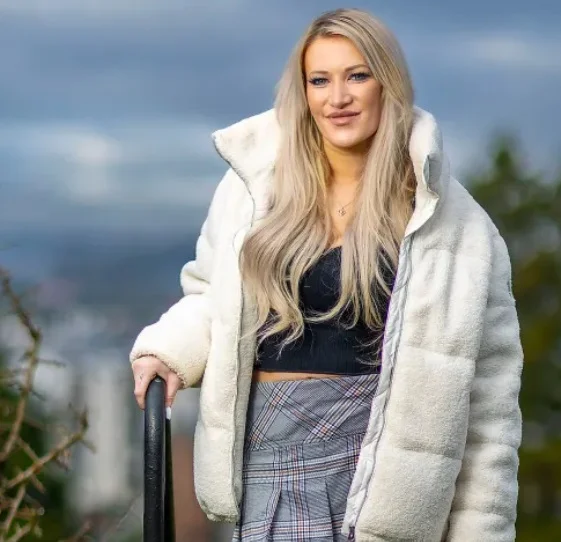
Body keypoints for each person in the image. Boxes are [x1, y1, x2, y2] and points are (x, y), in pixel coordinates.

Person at [130, 8, 524, 542]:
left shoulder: (458, 227)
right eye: (320, 80)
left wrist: (483, 532)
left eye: (356, 76)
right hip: (267, 458)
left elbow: (490, 408)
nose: (337, 97)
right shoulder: (254, 189)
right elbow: (209, 297)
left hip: (385, 475)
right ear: (303, 91)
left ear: (388, 83)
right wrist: (168, 350)